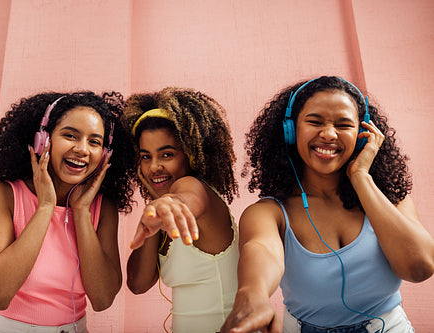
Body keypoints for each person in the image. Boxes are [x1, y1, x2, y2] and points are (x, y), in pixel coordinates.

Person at [221, 76, 434, 333]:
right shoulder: (268, 213)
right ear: (290, 130)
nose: (329, 134)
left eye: (344, 125)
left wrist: (361, 177)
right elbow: (261, 250)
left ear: (362, 134)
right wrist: (252, 298)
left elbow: (419, 268)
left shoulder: (388, 198)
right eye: (314, 121)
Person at [0, 91, 135, 332]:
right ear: (43, 139)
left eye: (94, 141)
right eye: (70, 135)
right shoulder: (3, 195)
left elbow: (102, 300)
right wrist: (46, 207)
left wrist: (81, 211)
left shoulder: (102, 208)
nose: (82, 149)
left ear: (105, 154)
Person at [123, 87, 240, 333]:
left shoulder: (194, 189)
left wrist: (169, 203)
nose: (154, 166)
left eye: (167, 154)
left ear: (191, 156)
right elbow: (138, 284)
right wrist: (157, 205)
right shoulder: (161, 215)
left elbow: (187, 198)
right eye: (146, 156)